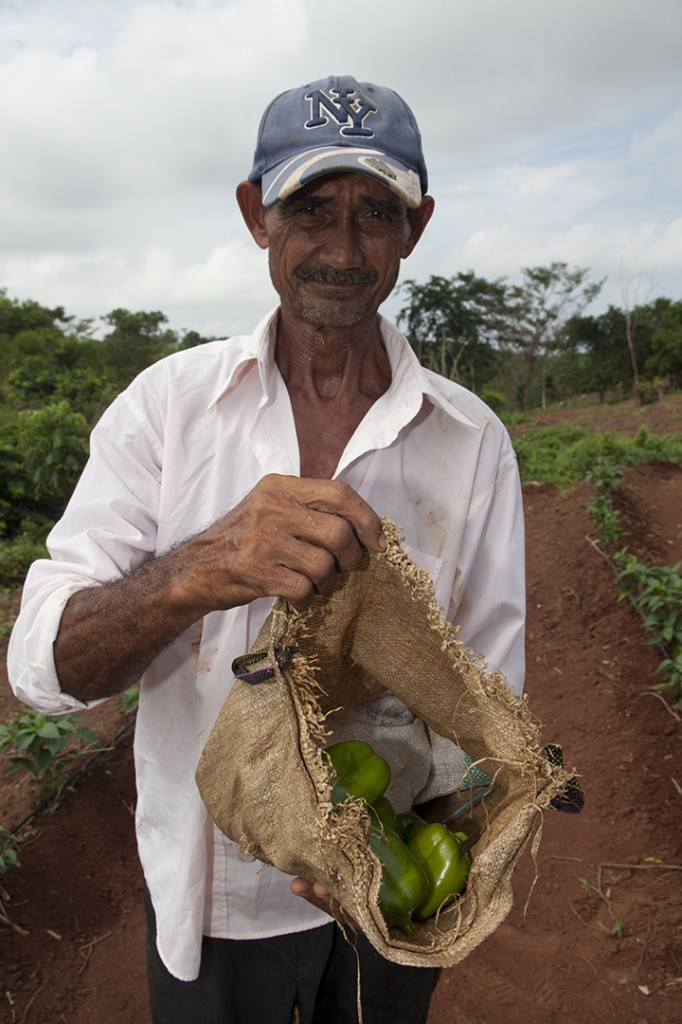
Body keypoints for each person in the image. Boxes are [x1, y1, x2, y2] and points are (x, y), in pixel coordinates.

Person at [7, 75, 526, 1023]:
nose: (343, 248)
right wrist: (196, 570)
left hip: (390, 891)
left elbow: (489, 696)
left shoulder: (470, 441)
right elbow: (44, 667)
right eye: (310, 208)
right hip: (213, 903)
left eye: (377, 213)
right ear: (257, 216)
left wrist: (428, 848)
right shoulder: (166, 411)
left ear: (415, 229)